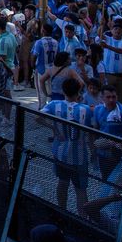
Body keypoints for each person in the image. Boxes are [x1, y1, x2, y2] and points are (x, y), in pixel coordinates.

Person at [40, 77, 94, 214]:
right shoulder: (86, 109)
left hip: (60, 153)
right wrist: (93, 151)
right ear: (79, 91)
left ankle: (62, 212)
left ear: (63, 91)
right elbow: (91, 131)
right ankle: (82, 219)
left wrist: (53, 128)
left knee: (62, 183)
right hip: (80, 156)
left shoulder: (54, 105)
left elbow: (37, 117)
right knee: (81, 189)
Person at [100, 17, 122, 110]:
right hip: (109, 74)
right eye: (115, 28)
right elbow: (99, 36)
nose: (118, 31)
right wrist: (101, 25)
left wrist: (108, 47)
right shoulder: (107, 38)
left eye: (120, 29)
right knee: (107, 98)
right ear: (112, 30)